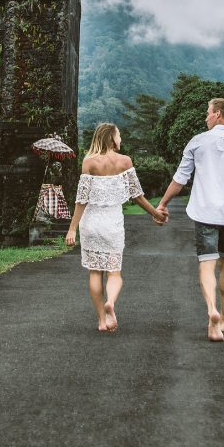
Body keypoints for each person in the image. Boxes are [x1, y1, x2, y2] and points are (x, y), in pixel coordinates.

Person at [156, 98, 224, 342]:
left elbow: (180, 179)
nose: (205, 117)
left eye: (208, 113)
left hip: (205, 213)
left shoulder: (197, 142)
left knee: (207, 264)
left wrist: (162, 204)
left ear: (217, 114)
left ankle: (211, 311)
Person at [66, 122, 166, 331]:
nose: (121, 139)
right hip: (112, 223)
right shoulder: (125, 161)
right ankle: (111, 301)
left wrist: (72, 228)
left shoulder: (89, 162)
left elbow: (81, 199)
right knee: (114, 272)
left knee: (95, 273)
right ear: (111, 138)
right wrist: (155, 213)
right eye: (118, 136)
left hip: (91, 224)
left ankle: (102, 321)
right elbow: (137, 195)